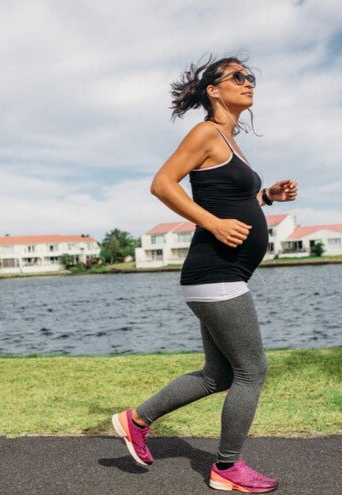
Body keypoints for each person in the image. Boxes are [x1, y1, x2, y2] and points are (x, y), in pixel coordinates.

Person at [112, 55, 298, 493]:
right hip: (215, 272)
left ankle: (136, 420)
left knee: (220, 374)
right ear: (214, 90)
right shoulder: (205, 132)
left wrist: (267, 196)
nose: (248, 82)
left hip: (222, 274)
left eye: (251, 77)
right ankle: (227, 468)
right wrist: (212, 224)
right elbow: (163, 183)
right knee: (252, 371)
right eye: (238, 77)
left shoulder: (230, 141)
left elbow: (234, 200)